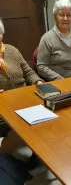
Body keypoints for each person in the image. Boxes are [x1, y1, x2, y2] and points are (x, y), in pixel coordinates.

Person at [0, 18, 44, 152]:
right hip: (3, 110)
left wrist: (38, 82)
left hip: (24, 102)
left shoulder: (12, 51)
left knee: (45, 119)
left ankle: (38, 154)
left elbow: (29, 73)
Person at [37, 0, 71, 81]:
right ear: (55, 16)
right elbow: (41, 66)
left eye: (69, 15)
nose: (65, 18)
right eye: (61, 15)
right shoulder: (46, 39)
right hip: (60, 83)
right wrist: (61, 80)